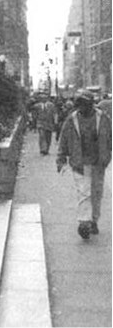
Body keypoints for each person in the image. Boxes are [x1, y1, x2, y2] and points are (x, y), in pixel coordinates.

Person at [56, 89, 112, 239]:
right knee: (84, 192)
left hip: (98, 163)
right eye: (79, 104)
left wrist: (107, 156)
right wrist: (61, 159)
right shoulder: (72, 119)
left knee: (96, 193)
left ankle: (93, 220)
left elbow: (110, 137)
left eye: (85, 104)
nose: (82, 107)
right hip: (79, 163)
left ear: (91, 104)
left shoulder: (103, 118)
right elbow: (63, 139)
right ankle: (84, 222)